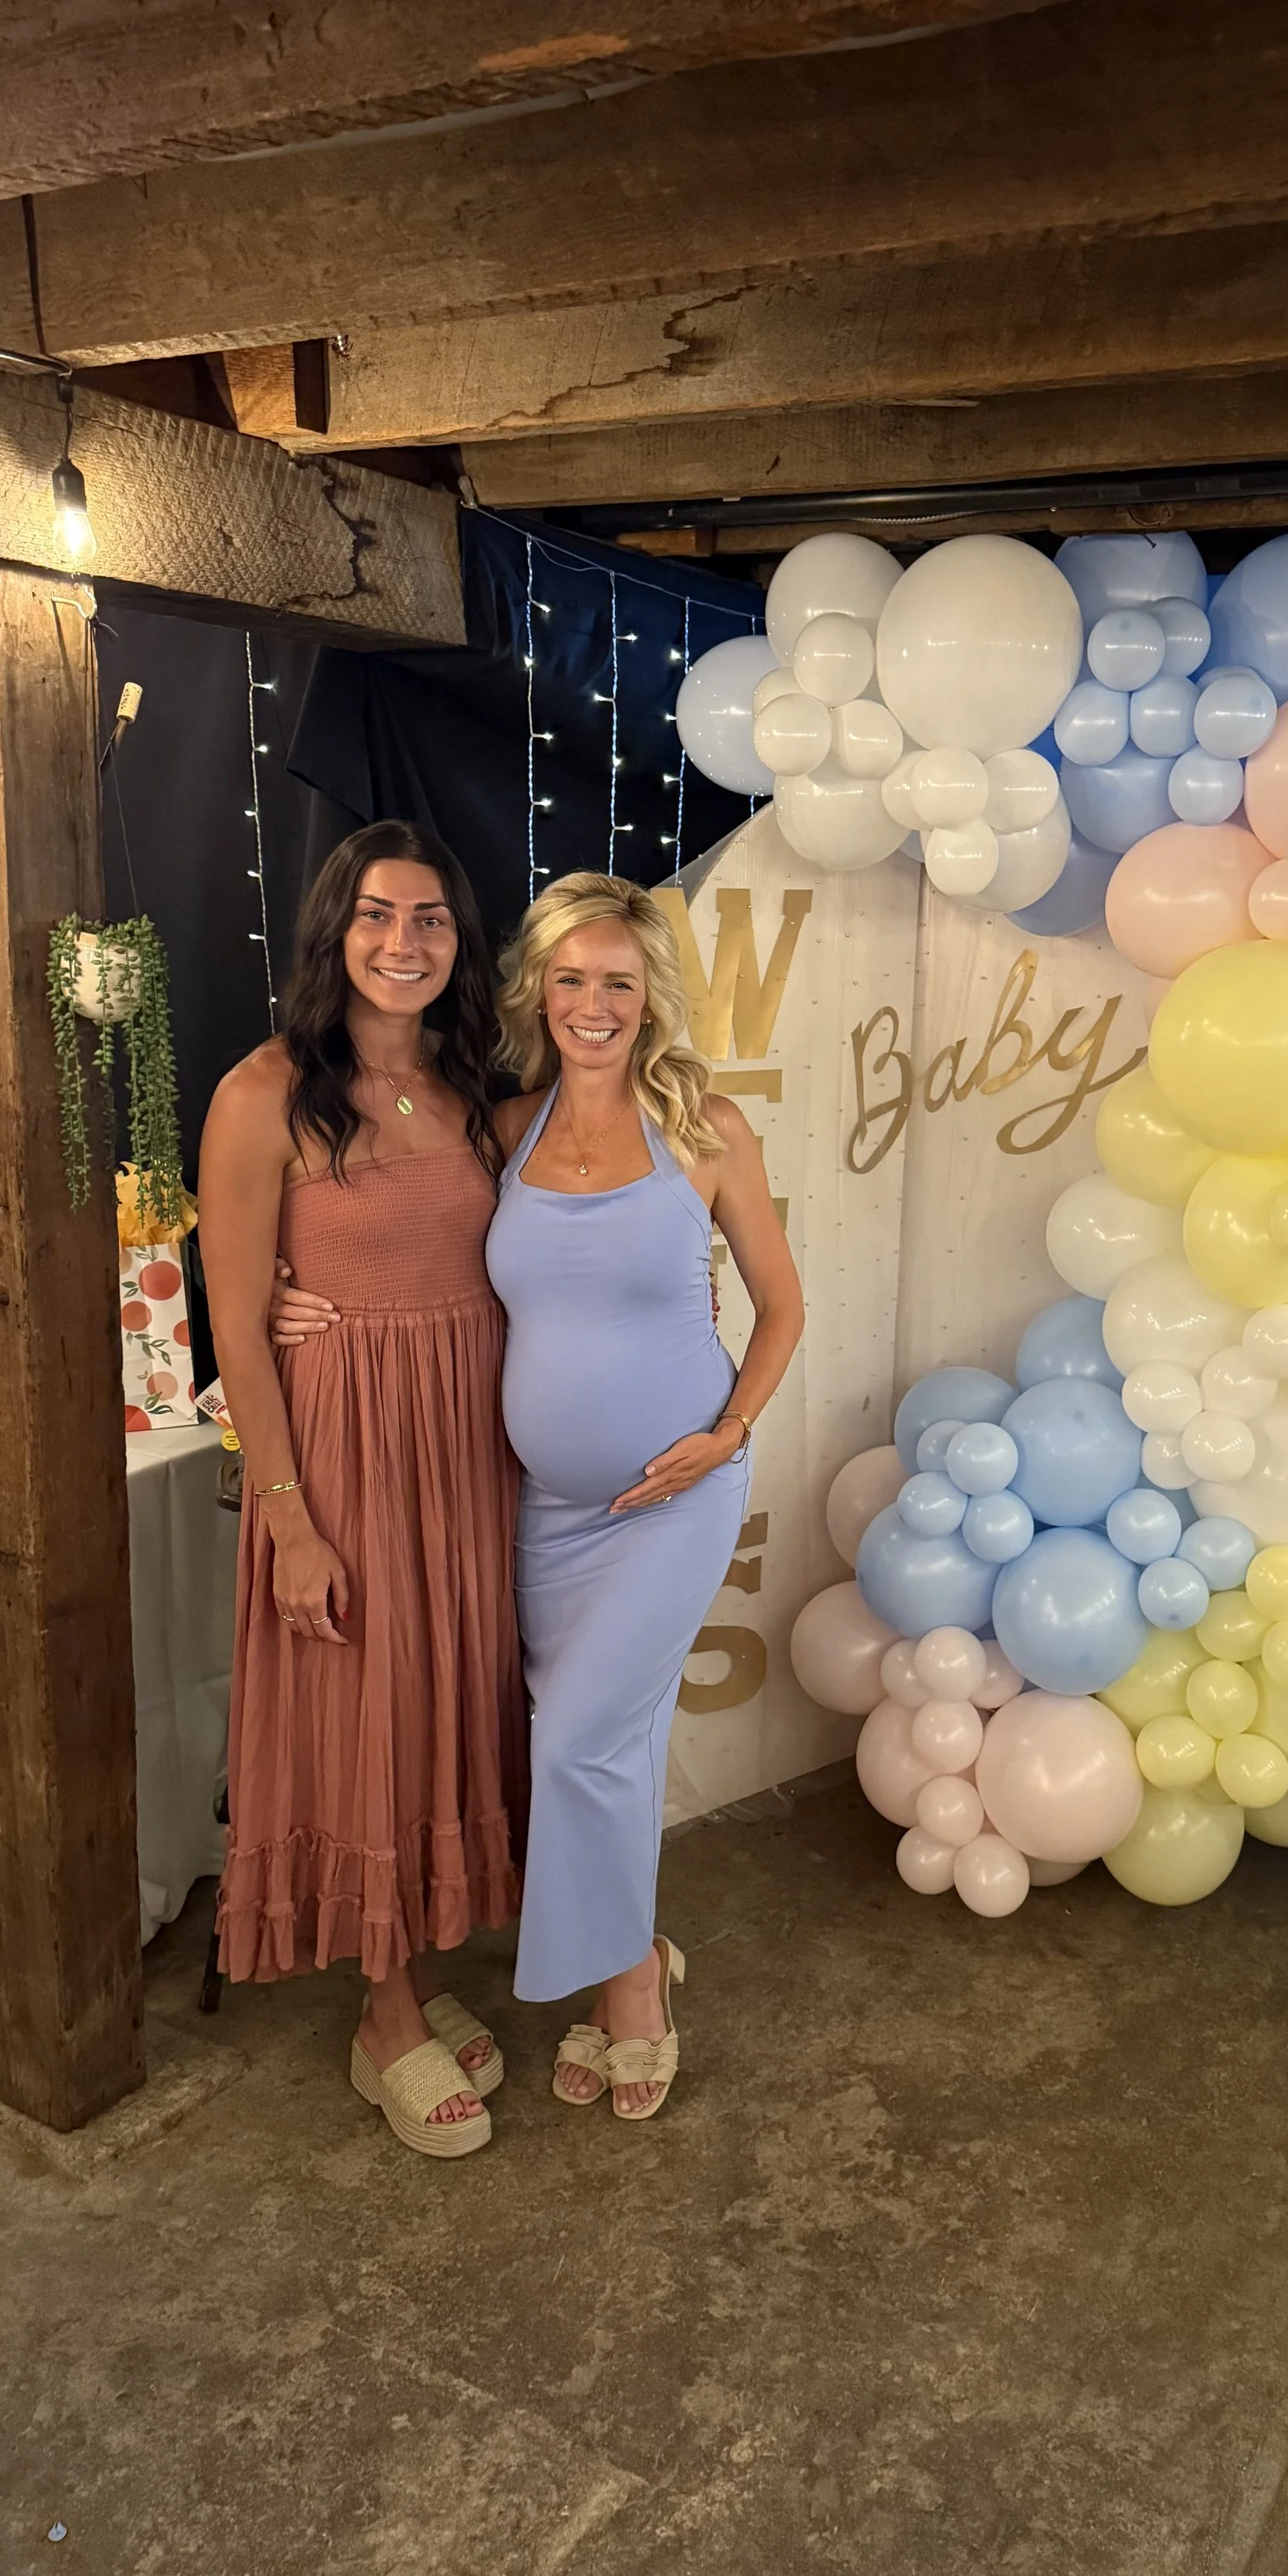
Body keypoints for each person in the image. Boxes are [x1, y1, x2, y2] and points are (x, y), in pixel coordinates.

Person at [199, 820, 528, 2161]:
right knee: (367, 1708)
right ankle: (382, 2013)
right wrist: (287, 1519)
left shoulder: (480, 1088)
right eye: (380, 917)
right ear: (335, 932)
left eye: (434, 919)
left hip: (466, 1439)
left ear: (462, 942)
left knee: (446, 1695)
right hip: (342, 1444)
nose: (407, 943)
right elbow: (233, 1321)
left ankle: (421, 1964)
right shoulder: (261, 1094)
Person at [491, 872, 801, 2118]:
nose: (593, 1003)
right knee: (602, 1752)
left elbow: (781, 1307)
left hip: (672, 1501)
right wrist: (304, 1299)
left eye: (618, 981)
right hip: (544, 1516)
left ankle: (628, 1991)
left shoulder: (706, 1130)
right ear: (541, 992)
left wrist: (729, 1433)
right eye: (572, 979)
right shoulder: (503, 1125)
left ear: (651, 998)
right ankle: (639, 1962)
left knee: (577, 1744)